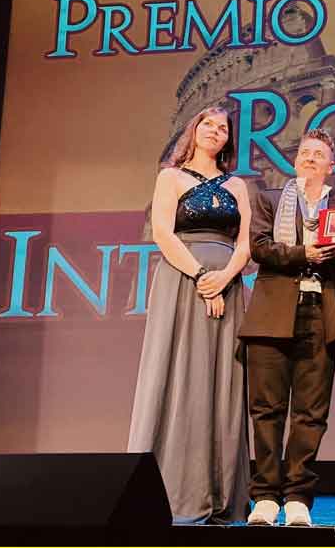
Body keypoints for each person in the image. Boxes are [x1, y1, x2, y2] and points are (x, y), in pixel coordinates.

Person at [127, 106, 252, 524]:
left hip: (229, 286)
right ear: (193, 131)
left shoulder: (238, 184)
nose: (215, 132)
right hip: (182, 283)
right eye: (208, 125)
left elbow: (247, 242)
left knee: (222, 383)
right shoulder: (171, 177)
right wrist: (202, 277)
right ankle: (170, 490)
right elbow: (163, 232)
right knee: (180, 376)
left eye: (222, 129)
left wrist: (224, 279)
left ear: (228, 140)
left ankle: (219, 492)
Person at [241, 128, 335, 527]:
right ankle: (265, 495)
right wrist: (305, 252)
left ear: (331, 166)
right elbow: (260, 247)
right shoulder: (269, 200)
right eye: (304, 152)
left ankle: (299, 494)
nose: (310, 158)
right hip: (272, 312)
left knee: (311, 412)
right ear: (294, 160)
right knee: (266, 409)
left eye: (319, 154)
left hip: (320, 312)